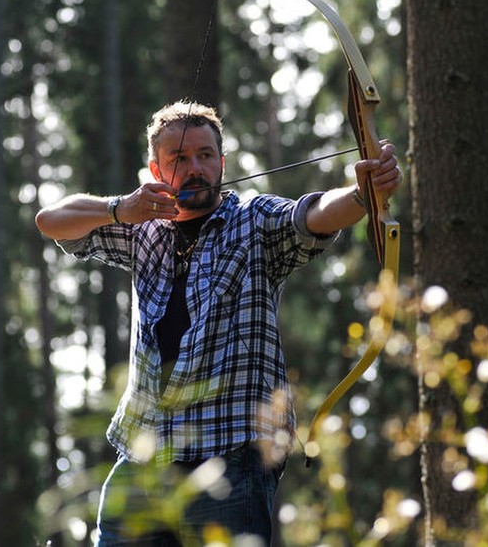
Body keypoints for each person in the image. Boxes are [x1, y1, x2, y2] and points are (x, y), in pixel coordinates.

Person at [35, 100, 402, 546]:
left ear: (222, 163)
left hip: (229, 456)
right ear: (156, 170)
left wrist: (363, 193)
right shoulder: (142, 229)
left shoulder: (253, 221)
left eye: (206, 156)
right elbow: (50, 221)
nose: (196, 168)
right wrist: (119, 209)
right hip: (144, 457)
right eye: (179, 159)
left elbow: (314, 214)